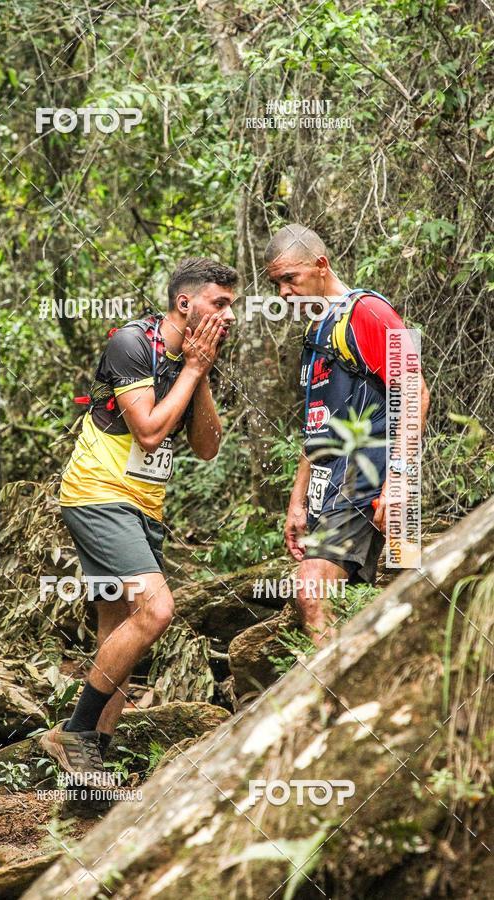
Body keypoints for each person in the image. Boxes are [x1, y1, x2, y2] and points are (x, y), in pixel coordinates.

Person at [39, 257, 237, 788]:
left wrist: (200, 372)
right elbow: (148, 432)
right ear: (184, 303)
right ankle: (73, 733)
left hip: (145, 507)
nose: (229, 316)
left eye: (232, 306)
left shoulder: (194, 359)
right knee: (156, 610)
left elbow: (207, 448)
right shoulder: (132, 343)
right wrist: (191, 370)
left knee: (121, 629)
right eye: (220, 304)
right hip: (98, 495)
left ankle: (90, 766)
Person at [265, 224, 430, 646]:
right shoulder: (315, 331)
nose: (283, 293)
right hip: (332, 480)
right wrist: (298, 500)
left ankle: (334, 689)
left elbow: (415, 392)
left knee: (312, 589)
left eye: (290, 278)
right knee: (364, 604)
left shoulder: (368, 312)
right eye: (276, 284)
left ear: (321, 265)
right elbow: (317, 423)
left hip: (369, 472)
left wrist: (399, 481)